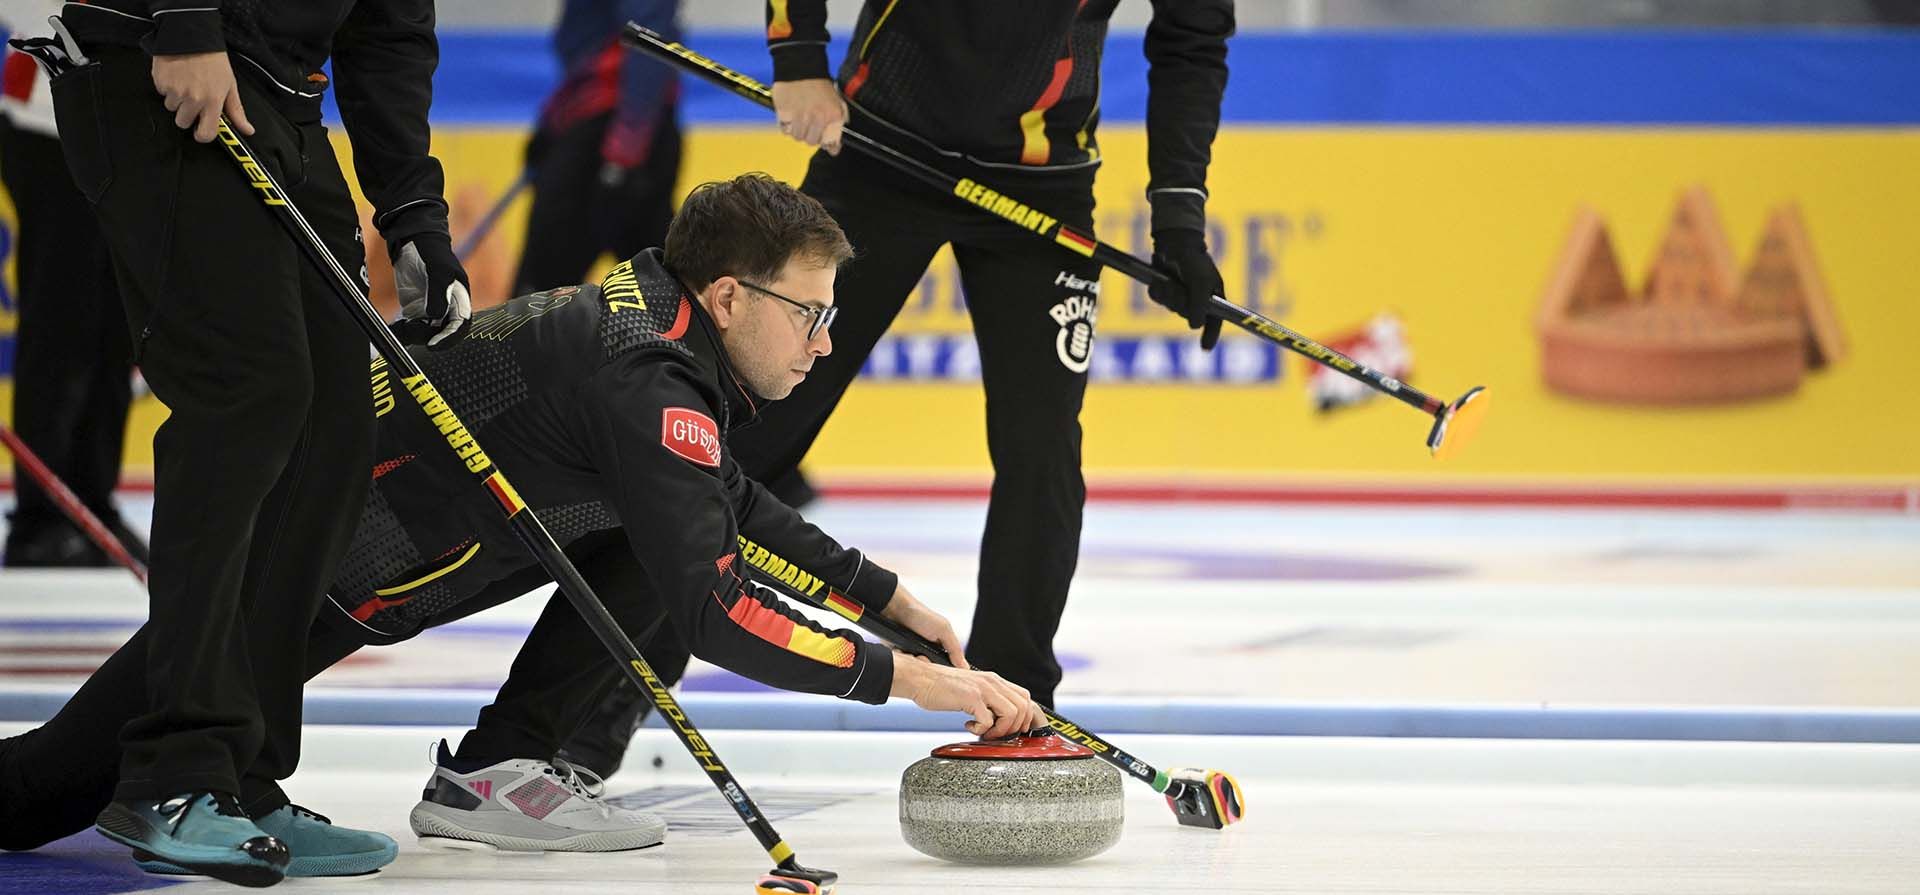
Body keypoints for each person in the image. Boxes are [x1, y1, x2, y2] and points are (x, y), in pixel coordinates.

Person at [0, 173, 1044, 858]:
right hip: (304, 566)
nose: (822, 343)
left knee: (670, 534)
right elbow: (719, 610)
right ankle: (506, 767)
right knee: (44, 788)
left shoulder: (660, 337)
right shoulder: (648, 381)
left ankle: (513, 763)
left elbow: (717, 496)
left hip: (351, 564)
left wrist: (887, 598)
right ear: (730, 299)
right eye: (810, 315)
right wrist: (916, 681)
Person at [558, 0, 1235, 772]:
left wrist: (1179, 212)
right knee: (743, 437)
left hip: (1042, 181)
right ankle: (591, 712)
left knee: (1042, 453)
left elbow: (1193, 33)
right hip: (880, 147)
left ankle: (1016, 706)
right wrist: (800, 58)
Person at [21, 0, 471, 885]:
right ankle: (176, 771)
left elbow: (388, 27)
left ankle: (241, 777)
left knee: (336, 428)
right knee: (250, 396)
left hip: (283, 97)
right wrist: (180, 19)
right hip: (164, 66)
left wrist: (414, 210)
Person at [0, 0, 147, 568]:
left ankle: (92, 501)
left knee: (119, 326)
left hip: (129, 129)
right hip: (48, 124)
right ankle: (40, 514)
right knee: (62, 321)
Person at [513, 0, 684, 296]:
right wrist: (553, 125)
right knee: (661, 291)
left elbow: (649, 39)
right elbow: (583, 59)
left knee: (537, 300)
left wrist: (626, 149)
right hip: (597, 124)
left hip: (614, 132)